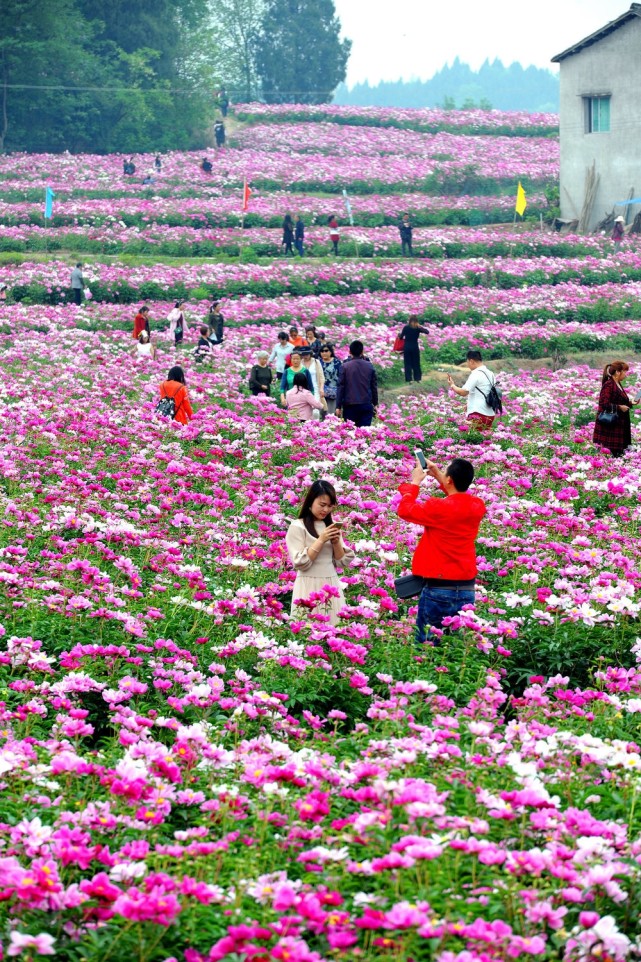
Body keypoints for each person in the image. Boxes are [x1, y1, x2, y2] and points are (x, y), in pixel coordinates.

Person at [397, 456, 486, 645]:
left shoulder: (439, 507)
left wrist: (415, 482)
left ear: (450, 480)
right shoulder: (477, 506)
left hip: (439, 588)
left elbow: (405, 510)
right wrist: (439, 475)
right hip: (466, 589)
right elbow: (458, 497)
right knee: (457, 646)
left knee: (428, 645)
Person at [285, 480, 354, 625]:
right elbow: (301, 563)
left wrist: (336, 543)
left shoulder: (330, 525)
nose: (326, 510)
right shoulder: (297, 526)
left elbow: (341, 562)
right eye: (322, 505)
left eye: (330, 506)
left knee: (336, 629)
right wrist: (321, 539)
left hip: (331, 583)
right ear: (311, 501)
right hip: (307, 584)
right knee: (307, 630)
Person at [593, 360, 640, 456]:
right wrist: (619, 407)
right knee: (612, 453)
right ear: (617, 372)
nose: (626, 375)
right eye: (625, 372)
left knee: (619, 453)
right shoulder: (609, 385)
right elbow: (604, 404)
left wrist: (631, 402)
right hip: (611, 425)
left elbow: (620, 401)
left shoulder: (617, 384)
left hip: (619, 424)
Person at [447, 350, 497, 432]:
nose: (468, 365)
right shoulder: (490, 373)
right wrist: (469, 404)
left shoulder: (476, 374)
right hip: (490, 414)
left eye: (467, 362)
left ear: (471, 361)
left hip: (478, 413)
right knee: (484, 440)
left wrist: (452, 385)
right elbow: (487, 392)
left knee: (472, 440)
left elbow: (463, 392)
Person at [336, 340, 378, 427]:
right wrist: (375, 403)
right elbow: (373, 386)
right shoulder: (369, 366)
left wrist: (338, 406)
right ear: (362, 352)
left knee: (351, 435)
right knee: (364, 434)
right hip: (366, 403)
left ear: (350, 352)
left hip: (350, 405)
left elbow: (341, 387)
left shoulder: (345, 366)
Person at [399, 314, 428, 383]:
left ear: (409, 320)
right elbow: (427, 332)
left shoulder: (406, 327)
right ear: (417, 321)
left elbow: (401, 337)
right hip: (415, 347)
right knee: (416, 363)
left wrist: (399, 335)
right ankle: (417, 379)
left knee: (407, 363)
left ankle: (409, 380)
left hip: (407, 347)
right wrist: (420, 326)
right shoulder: (417, 328)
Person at [301, 347, 326, 419]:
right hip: (303, 389)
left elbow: (321, 377)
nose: (305, 356)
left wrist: (321, 389)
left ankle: (315, 425)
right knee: (305, 409)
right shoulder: (301, 362)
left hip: (315, 388)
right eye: (303, 355)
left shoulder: (316, 362)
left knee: (315, 410)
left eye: (307, 354)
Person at [319, 343, 342, 416]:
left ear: (331, 352)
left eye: (326, 351)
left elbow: (341, 376)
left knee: (331, 414)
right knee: (321, 413)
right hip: (321, 392)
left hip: (334, 392)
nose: (324, 353)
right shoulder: (318, 362)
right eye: (322, 351)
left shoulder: (337, 362)